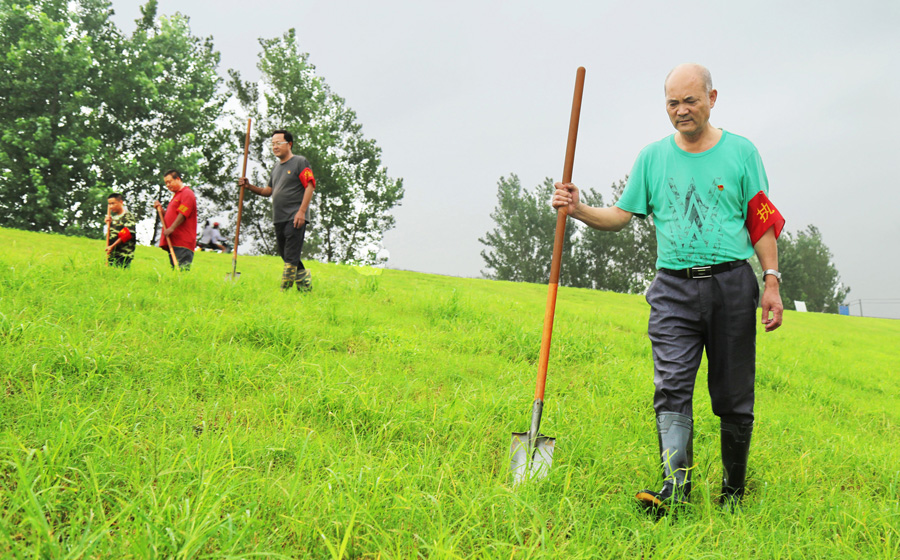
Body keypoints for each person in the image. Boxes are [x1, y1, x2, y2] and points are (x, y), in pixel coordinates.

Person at [552, 63, 785, 513]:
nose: (681, 111)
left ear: (712, 99)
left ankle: (733, 494)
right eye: (673, 103)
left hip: (732, 284)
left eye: (690, 101)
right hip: (672, 289)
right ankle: (675, 491)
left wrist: (771, 280)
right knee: (671, 387)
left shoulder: (741, 152)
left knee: (733, 392)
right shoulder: (652, 158)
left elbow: (761, 222)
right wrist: (578, 208)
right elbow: (621, 217)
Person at [238, 129, 316, 291]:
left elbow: (310, 186)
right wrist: (249, 186)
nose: (275, 147)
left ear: (289, 144)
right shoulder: (276, 168)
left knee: (290, 255)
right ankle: (306, 287)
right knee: (286, 254)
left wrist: (302, 211)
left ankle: (284, 290)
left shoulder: (300, 162)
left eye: (278, 143)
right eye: (273, 144)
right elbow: (268, 191)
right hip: (279, 218)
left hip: (295, 216)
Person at [154, 169, 197, 270]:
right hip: (173, 240)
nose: (168, 185)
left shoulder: (187, 193)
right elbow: (170, 216)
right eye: (166, 183)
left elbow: (183, 213)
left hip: (183, 241)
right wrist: (160, 210)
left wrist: (171, 228)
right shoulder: (176, 196)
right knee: (175, 269)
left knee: (181, 270)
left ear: (177, 179)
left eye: (169, 182)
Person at [105, 192, 137, 268]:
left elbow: (126, 234)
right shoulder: (114, 218)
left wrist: (112, 246)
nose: (111, 206)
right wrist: (107, 223)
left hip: (123, 254)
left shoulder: (127, 216)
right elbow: (111, 235)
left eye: (113, 203)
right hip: (112, 253)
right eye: (109, 204)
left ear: (121, 202)